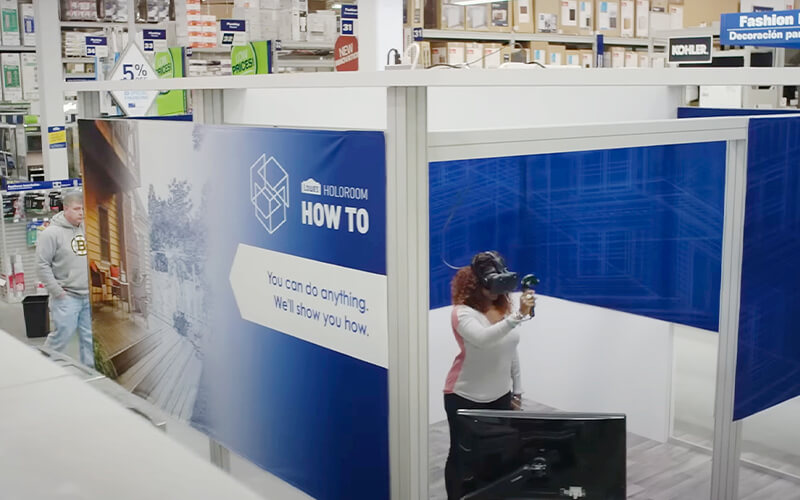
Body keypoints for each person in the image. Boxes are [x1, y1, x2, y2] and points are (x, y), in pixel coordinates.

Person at [443, 251, 535, 500]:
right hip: (464, 396)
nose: (496, 291)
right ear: (476, 284)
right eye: (491, 285)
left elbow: (510, 349)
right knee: (462, 456)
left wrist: (517, 390)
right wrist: (518, 316)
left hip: (500, 396)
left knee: (497, 454)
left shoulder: (500, 309)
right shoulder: (462, 313)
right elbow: (484, 339)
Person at [36, 190, 94, 368]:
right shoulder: (51, 234)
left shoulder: (86, 229)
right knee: (62, 337)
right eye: (76, 209)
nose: (81, 213)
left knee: (89, 339)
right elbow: (42, 265)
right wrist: (57, 292)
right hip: (67, 296)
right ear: (65, 208)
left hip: (87, 296)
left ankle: (90, 373)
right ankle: (43, 368)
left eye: (83, 209)